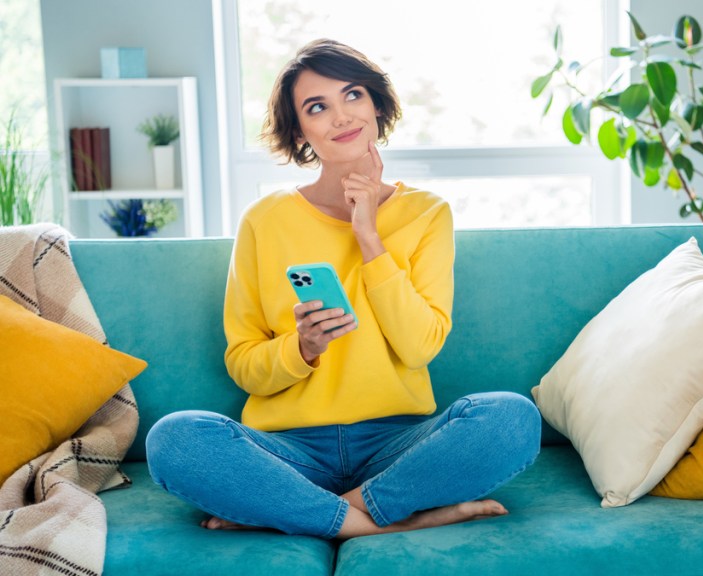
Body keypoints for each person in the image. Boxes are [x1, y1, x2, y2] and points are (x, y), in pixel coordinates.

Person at [146, 39, 541, 539]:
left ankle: (318, 513)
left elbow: (420, 346)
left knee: (511, 418)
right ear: (300, 131)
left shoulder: (427, 214)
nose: (340, 116)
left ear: (376, 104)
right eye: (317, 107)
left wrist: (368, 236)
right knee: (175, 438)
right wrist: (302, 349)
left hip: (397, 445)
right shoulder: (264, 221)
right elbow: (245, 366)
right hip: (288, 450)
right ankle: (386, 522)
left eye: (352, 95)